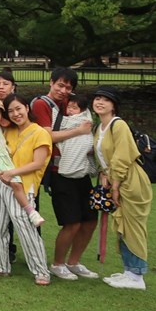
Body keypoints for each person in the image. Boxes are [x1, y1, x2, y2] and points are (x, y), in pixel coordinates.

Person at [0, 94, 52, 285]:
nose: (15, 114)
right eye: (11, 111)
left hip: (23, 185)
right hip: (0, 182)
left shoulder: (40, 133)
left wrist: (12, 172)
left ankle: (41, 270)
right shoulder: (8, 131)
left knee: (24, 226)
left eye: (18, 109)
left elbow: (38, 163)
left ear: (27, 108)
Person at [91, 88, 153, 290]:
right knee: (122, 226)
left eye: (105, 100)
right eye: (97, 98)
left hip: (130, 182)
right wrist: (104, 175)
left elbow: (122, 156)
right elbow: (103, 157)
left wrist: (115, 184)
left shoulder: (118, 125)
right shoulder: (100, 127)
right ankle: (129, 270)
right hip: (115, 180)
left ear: (113, 105)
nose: (100, 102)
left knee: (132, 227)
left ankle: (136, 275)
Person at [48, 93, 100, 280]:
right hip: (62, 174)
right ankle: (58, 263)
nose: (70, 110)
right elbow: (50, 136)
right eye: (68, 107)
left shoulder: (87, 120)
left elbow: (90, 138)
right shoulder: (58, 119)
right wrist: (78, 132)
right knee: (72, 222)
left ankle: (74, 261)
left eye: (74, 107)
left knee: (90, 220)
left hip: (83, 174)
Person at [0, 97, 44, 227]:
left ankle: (29, 212)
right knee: (16, 184)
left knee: (16, 184)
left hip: (4, 159)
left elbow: (7, 123)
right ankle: (31, 211)